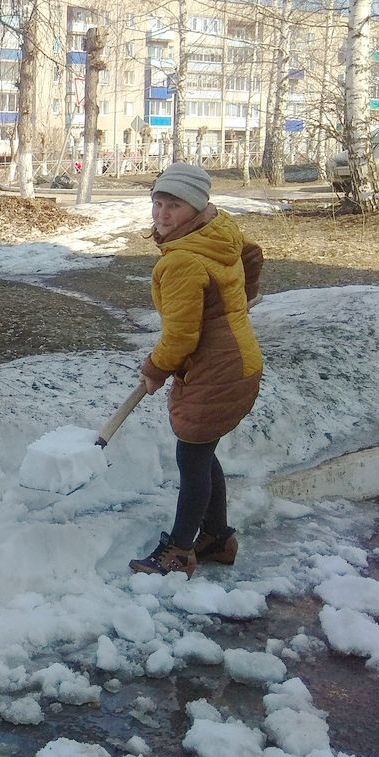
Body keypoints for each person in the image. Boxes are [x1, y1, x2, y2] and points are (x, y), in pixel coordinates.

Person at [129, 162, 264, 578]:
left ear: (195, 208)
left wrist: (154, 368)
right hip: (238, 361)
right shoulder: (218, 231)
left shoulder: (182, 262)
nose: (163, 214)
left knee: (192, 457)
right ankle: (218, 538)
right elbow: (252, 254)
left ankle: (179, 551)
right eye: (158, 203)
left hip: (216, 372)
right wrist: (235, 305)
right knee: (202, 453)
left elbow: (181, 337)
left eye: (174, 206)